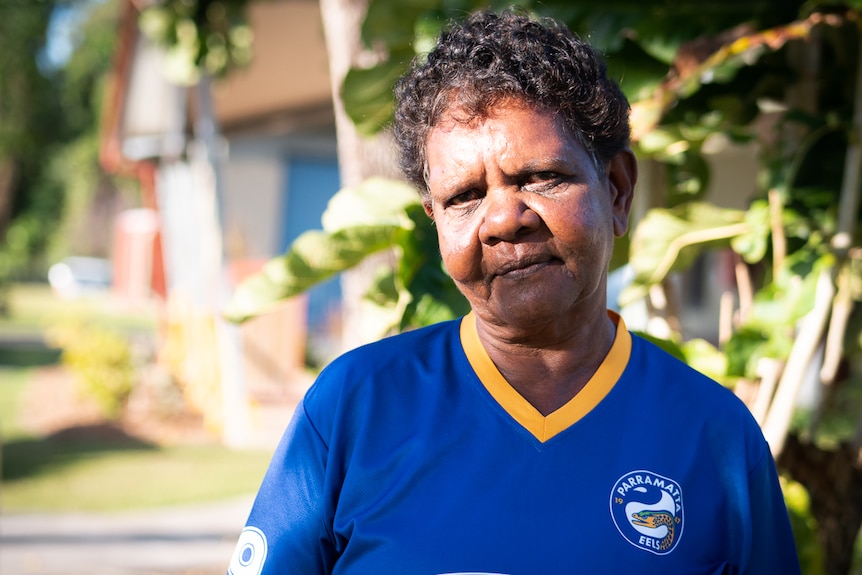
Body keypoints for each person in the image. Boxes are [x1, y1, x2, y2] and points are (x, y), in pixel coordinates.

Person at [228, 9, 801, 575]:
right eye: (464, 197)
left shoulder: (716, 436)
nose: (505, 218)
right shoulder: (353, 409)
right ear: (436, 221)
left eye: (541, 177)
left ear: (619, 191)